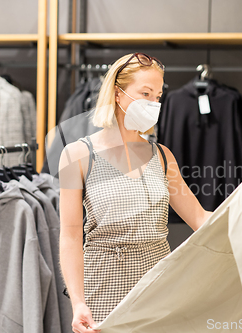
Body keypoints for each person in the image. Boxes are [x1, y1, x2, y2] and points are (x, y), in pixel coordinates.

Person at [59, 53, 213, 333]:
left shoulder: (163, 156)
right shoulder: (78, 155)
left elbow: (200, 218)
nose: (154, 103)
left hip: (157, 283)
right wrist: (78, 302)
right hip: (103, 285)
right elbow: (70, 236)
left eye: (158, 96)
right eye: (145, 93)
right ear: (118, 94)